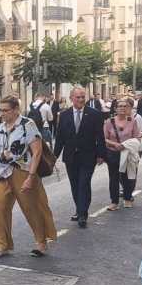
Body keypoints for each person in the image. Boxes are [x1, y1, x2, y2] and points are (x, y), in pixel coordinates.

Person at [0, 96, 57, 258]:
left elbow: (37, 153)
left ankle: (41, 242)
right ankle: (2, 245)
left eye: (5, 110)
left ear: (16, 110)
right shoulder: (0, 127)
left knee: (32, 208)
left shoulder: (28, 125)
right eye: (0, 110)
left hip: (22, 172)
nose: (2, 114)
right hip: (1, 173)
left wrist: (31, 177)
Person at [53, 87, 107, 229]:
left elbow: (100, 136)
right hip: (70, 156)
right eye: (78, 97)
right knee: (75, 185)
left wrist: (101, 154)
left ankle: (83, 214)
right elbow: (60, 138)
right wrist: (53, 157)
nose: (81, 99)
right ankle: (79, 209)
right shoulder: (64, 115)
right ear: (71, 98)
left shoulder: (94, 114)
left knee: (84, 184)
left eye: (83, 97)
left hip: (88, 156)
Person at [103, 98, 142, 210]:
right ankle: (114, 202)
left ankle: (127, 198)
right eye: (120, 106)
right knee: (113, 178)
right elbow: (104, 138)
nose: (122, 108)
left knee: (127, 177)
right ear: (115, 109)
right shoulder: (109, 122)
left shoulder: (132, 121)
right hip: (113, 153)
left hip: (127, 153)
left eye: (125, 106)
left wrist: (126, 145)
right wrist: (115, 144)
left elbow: (136, 137)